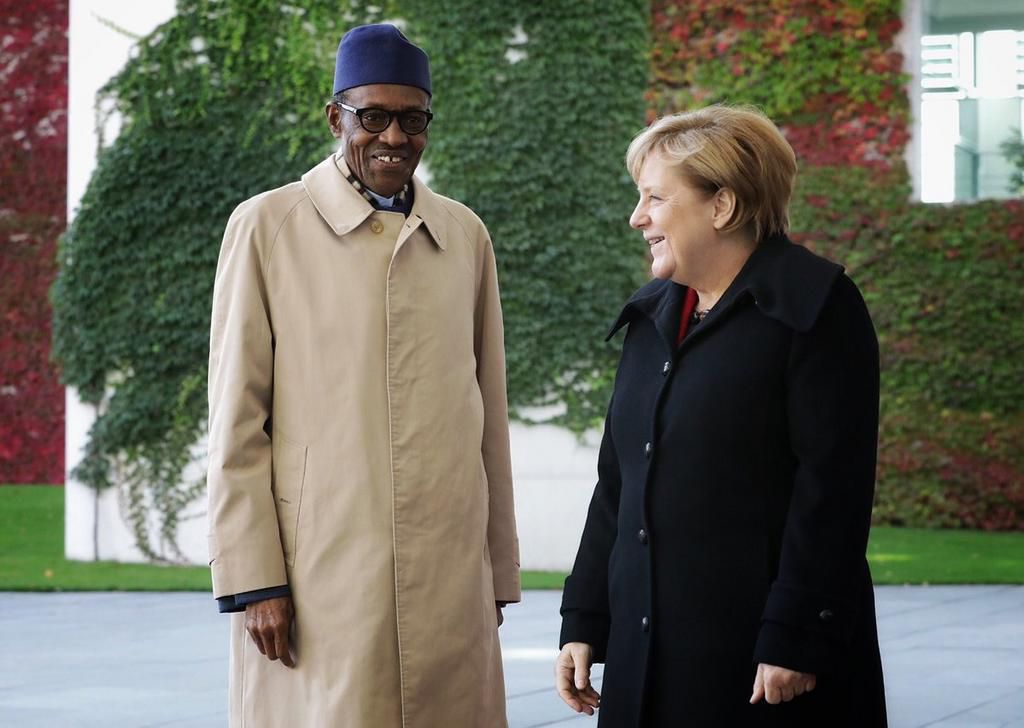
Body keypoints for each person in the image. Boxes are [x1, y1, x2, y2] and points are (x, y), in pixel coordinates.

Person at [206, 23, 520, 728]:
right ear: (334, 117)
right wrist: (255, 579)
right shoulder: (266, 226)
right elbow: (235, 422)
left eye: (413, 119)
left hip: (449, 576)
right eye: (372, 116)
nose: (394, 137)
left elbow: (487, 416)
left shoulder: (464, 235)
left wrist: (495, 572)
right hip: (323, 579)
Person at [554, 105, 887, 727]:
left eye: (655, 197)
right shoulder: (650, 319)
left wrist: (795, 634)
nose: (638, 217)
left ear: (723, 205)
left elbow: (833, 489)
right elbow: (617, 484)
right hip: (642, 655)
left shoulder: (815, 307)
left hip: (761, 668)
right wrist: (586, 618)